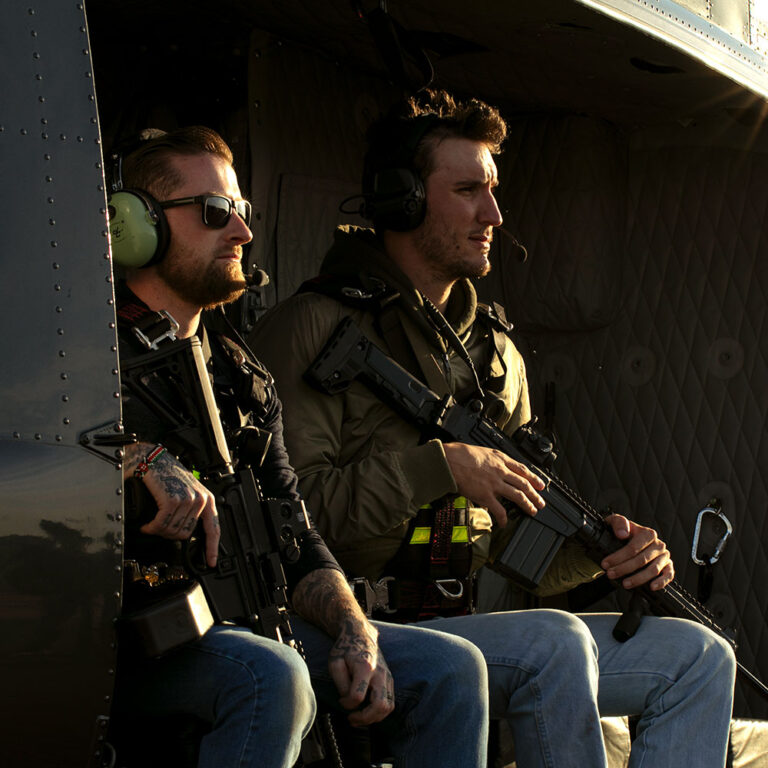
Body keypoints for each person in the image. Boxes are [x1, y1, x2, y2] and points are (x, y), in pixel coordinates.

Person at [248, 90, 737, 767]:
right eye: (470, 190)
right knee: (556, 643)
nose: (495, 215)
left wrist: (607, 550)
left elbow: (517, 544)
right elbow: (290, 523)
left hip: (474, 622)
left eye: (495, 190)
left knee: (701, 656)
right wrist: (441, 468)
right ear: (403, 201)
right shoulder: (313, 328)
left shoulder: (494, 353)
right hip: (355, 624)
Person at [109, 125, 491, 768]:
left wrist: (351, 628)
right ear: (137, 225)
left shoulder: (241, 376)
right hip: (125, 645)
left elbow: (298, 532)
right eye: (215, 213)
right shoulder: (78, 356)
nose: (242, 233)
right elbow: (34, 447)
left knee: (451, 669)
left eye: (243, 213)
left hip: (244, 627)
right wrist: (136, 457)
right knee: (270, 677)